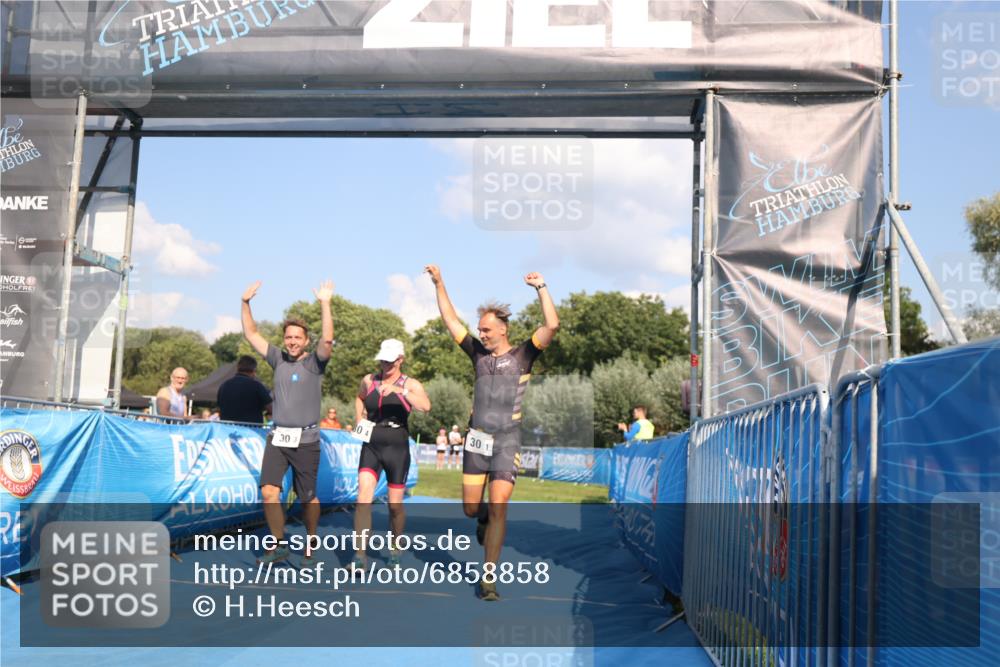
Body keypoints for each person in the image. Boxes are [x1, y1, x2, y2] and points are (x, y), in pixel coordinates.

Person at [426, 264, 559, 601]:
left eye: (486, 329)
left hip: (507, 440)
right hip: (477, 440)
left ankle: (488, 578)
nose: (481, 334)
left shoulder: (524, 354)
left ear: (503, 329)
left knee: (500, 505)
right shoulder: (477, 355)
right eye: (479, 330)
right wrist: (440, 283)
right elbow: (450, 320)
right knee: (472, 509)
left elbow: (552, 325)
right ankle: (480, 516)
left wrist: (541, 288)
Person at [242, 279, 334, 566]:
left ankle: (311, 538)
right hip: (278, 438)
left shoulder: (314, 363)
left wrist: (325, 303)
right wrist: (245, 303)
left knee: (308, 499)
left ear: (306, 341)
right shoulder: (277, 359)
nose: (292, 341)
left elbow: (327, 341)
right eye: (289, 337)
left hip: (306, 441)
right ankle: (279, 543)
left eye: (298, 337)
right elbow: (251, 333)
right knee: (269, 492)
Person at [351, 338, 430, 570]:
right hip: (371, 443)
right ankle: (360, 556)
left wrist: (400, 391)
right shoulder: (369, 380)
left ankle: (395, 545)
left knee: (394, 506)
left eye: (390, 361)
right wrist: (359, 418)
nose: (385, 365)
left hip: (397, 447)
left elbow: (426, 407)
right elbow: (359, 397)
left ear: (400, 359)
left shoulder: (410, 384)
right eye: (383, 360)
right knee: (363, 498)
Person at [217, 355, 272, 424]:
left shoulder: (223, 386)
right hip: (250, 429)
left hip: (226, 429)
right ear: (254, 370)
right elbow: (271, 408)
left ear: (237, 368)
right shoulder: (256, 386)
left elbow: (220, 409)